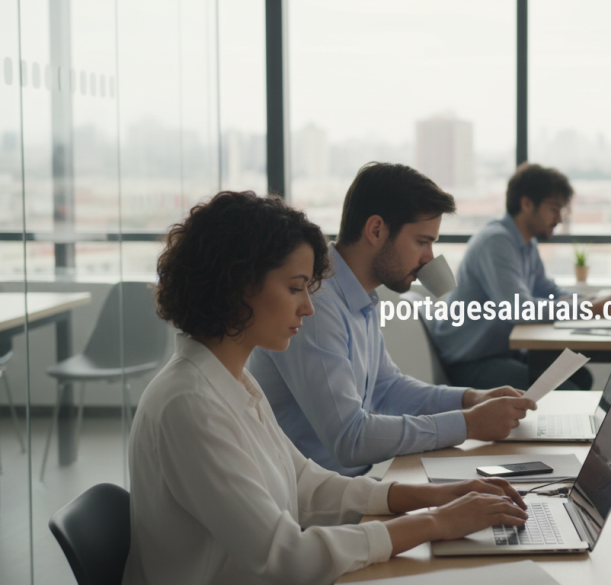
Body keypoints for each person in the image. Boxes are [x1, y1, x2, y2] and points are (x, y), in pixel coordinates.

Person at [125, 191, 529, 585]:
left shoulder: (231, 380)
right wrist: (436, 523)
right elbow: (286, 556)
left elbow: (307, 486)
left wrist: (435, 497)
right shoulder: (191, 404)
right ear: (239, 285)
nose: (308, 307)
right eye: (295, 288)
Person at [247, 163, 536, 478]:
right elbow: (350, 439)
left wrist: (471, 399)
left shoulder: (360, 297)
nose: (429, 258)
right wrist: (468, 424)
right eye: (422, 242)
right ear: (376, 230)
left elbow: (387, 388)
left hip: (352, 485)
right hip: (317, 502)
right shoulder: (317, 304)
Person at [428, 162, 611, 390]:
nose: (560, 219)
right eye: (554, 209)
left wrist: (590, 300)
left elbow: (549, 291)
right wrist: (590, 309)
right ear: (527, 203)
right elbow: (519, 309)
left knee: (581, 378)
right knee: (569, 390)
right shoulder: (496, 242)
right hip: (470, 361)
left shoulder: (526, 243)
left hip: (500, 352)